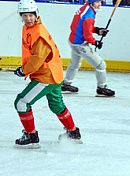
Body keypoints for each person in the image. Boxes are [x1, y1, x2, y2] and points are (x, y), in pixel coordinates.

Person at [13, 0, 81, 149]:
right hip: (54, 73)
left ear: (36, 14)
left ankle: (31, 136)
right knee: (57, 105)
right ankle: (73, 133)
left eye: (31, 15)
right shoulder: (29, 28)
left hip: (46, 76)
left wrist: (23, 70)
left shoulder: (39, 34)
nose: (28, 18)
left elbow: (37, 59)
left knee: (21, 102)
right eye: (25, 15)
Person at [62, 0, 115, 97]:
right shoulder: (89, 15)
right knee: (100, 65)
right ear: (92, 2)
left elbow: (82, 26)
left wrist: (97, 30)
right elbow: (87, 35)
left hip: (73, 41)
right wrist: (96, 42)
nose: (100, 5)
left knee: (75, 64)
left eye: (100, 2)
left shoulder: (85, 8)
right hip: (81, 45)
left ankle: (66, 84)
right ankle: (101, 88)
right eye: (97, 2)